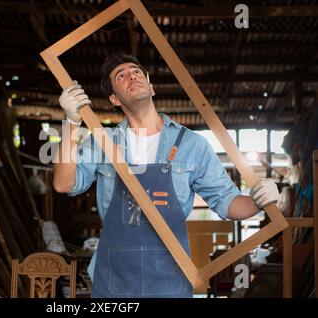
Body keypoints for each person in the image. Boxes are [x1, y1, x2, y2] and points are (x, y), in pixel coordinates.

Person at [52, 53, 279, 298]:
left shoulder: (192, 145)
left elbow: (227, 203)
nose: (132, 76)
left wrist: (259, 201)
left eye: (137, 72)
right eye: (121, 76)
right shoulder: (103, 141)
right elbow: (64, 184)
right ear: (115, 99)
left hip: (170, 280)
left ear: (152, 88)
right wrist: (71, 124)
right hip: (114, 280)